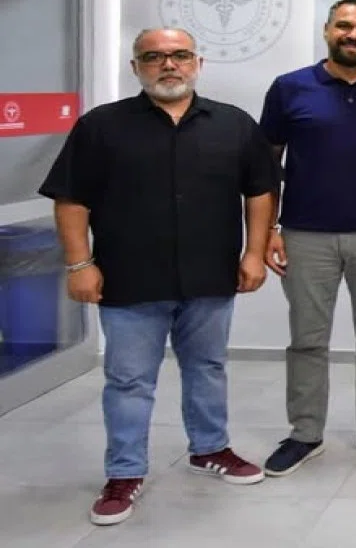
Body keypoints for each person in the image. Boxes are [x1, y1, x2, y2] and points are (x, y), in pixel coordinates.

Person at [38, 28, 278, 526]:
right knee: (128, 381)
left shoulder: (234, 124)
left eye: (179, 55)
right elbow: (71, 199)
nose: (169, 65)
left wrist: (254, 253)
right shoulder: (101, 127)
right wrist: (79, 264)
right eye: (154, 56)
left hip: (210, 276)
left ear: (198, 63)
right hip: (129, 279)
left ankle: (209, 448)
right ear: (136, 67)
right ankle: (124, 473)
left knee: (207, 367)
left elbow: (260, 191)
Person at [258, 0, 356, 477]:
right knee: (307, 340)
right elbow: (266, 166)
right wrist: (268, 231)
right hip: (305, 236)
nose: (353, 35)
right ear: (327, 30)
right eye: (344, 25)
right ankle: (304, 434)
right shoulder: (289, 88)